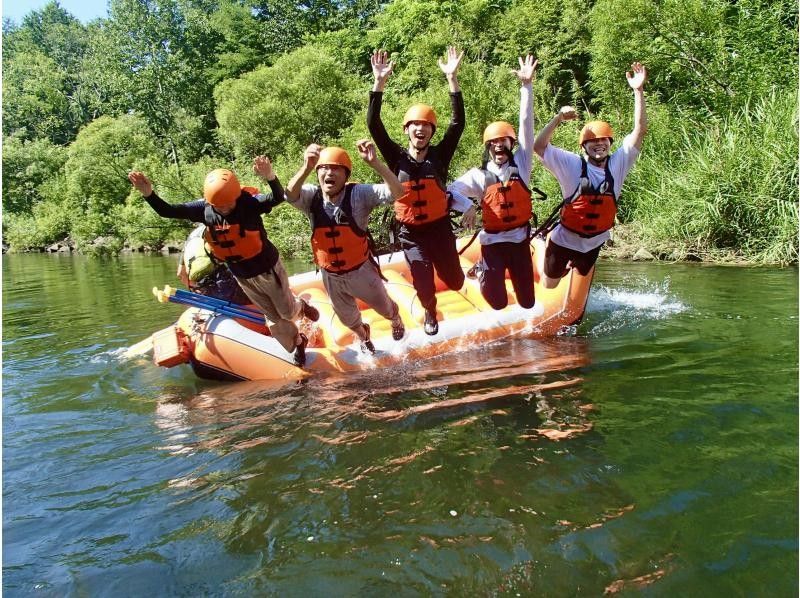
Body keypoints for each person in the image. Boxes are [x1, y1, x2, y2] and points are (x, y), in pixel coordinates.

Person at [128, 159, 319, 367]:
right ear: (211, 202)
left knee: (288, 312)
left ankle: (302, 305)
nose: (225, 208)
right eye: (220, 205)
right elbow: (169, 211)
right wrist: (148, 194)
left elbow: (275, 198)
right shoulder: (204, 209)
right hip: (242, 275)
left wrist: (270, 176)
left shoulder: (248, 203)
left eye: (229, 202)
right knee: (273, 320)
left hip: (267, 268)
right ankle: (299, 343)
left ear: (236, 195)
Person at [367, 47, 476, 335]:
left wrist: (452, 79)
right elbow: (373, 124)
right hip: (410, 232)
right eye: (415, 124)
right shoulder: (395, 157)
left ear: (431, 132)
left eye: (426, 125)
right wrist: (379, 83)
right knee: (424, 284)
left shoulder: (439, 157)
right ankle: (430, 309)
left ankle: (453, 277)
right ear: (406, 130)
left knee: (454, 281)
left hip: (439, 228)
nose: (421, 129)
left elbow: (458, 124)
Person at [280, 141, 406, 352]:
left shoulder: (359, 195)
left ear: (345, 175)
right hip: (331, 276)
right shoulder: (312, 196)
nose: (329, 173)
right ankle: (363, 335)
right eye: (324, 168)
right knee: (348, 320)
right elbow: (289, 195)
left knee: (386, 309)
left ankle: (396, 321)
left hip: (361, 271)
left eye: (336, 168)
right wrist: (306, 166)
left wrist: (376, 164)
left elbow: (398, 193)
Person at [533, 62, 648, 288]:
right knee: (549, 284)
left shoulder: (619, 163)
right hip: (564, 239)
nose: (598, 145)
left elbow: (640, 130)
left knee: (583, 273)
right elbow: (539, 147)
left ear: (609, 144)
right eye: (592, 142)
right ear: (584, 147)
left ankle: (573, 271)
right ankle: (540, 250)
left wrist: (638, 90)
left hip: (594, 241)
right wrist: (557, 119)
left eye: (603, 141)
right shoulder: (572, 165)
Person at [449, 55, 538, 310]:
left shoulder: (522, 164)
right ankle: (482, 270)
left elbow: (526, 125)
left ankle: (494, 274)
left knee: (528, 303)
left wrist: (526, 87)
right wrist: (467, 205)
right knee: (498, 303)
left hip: (519, 242)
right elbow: (451, 190)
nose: (499, 146)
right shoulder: (478, 175)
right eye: (494, 143)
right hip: (492, 244)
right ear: (488, 147)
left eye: (504, 142)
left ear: (512, 144)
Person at [177, 224, 250, 304]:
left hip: (201, 289)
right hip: (223, 285)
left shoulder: (190, 239)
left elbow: (181, 273)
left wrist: (196, 287)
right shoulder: (218, 228)